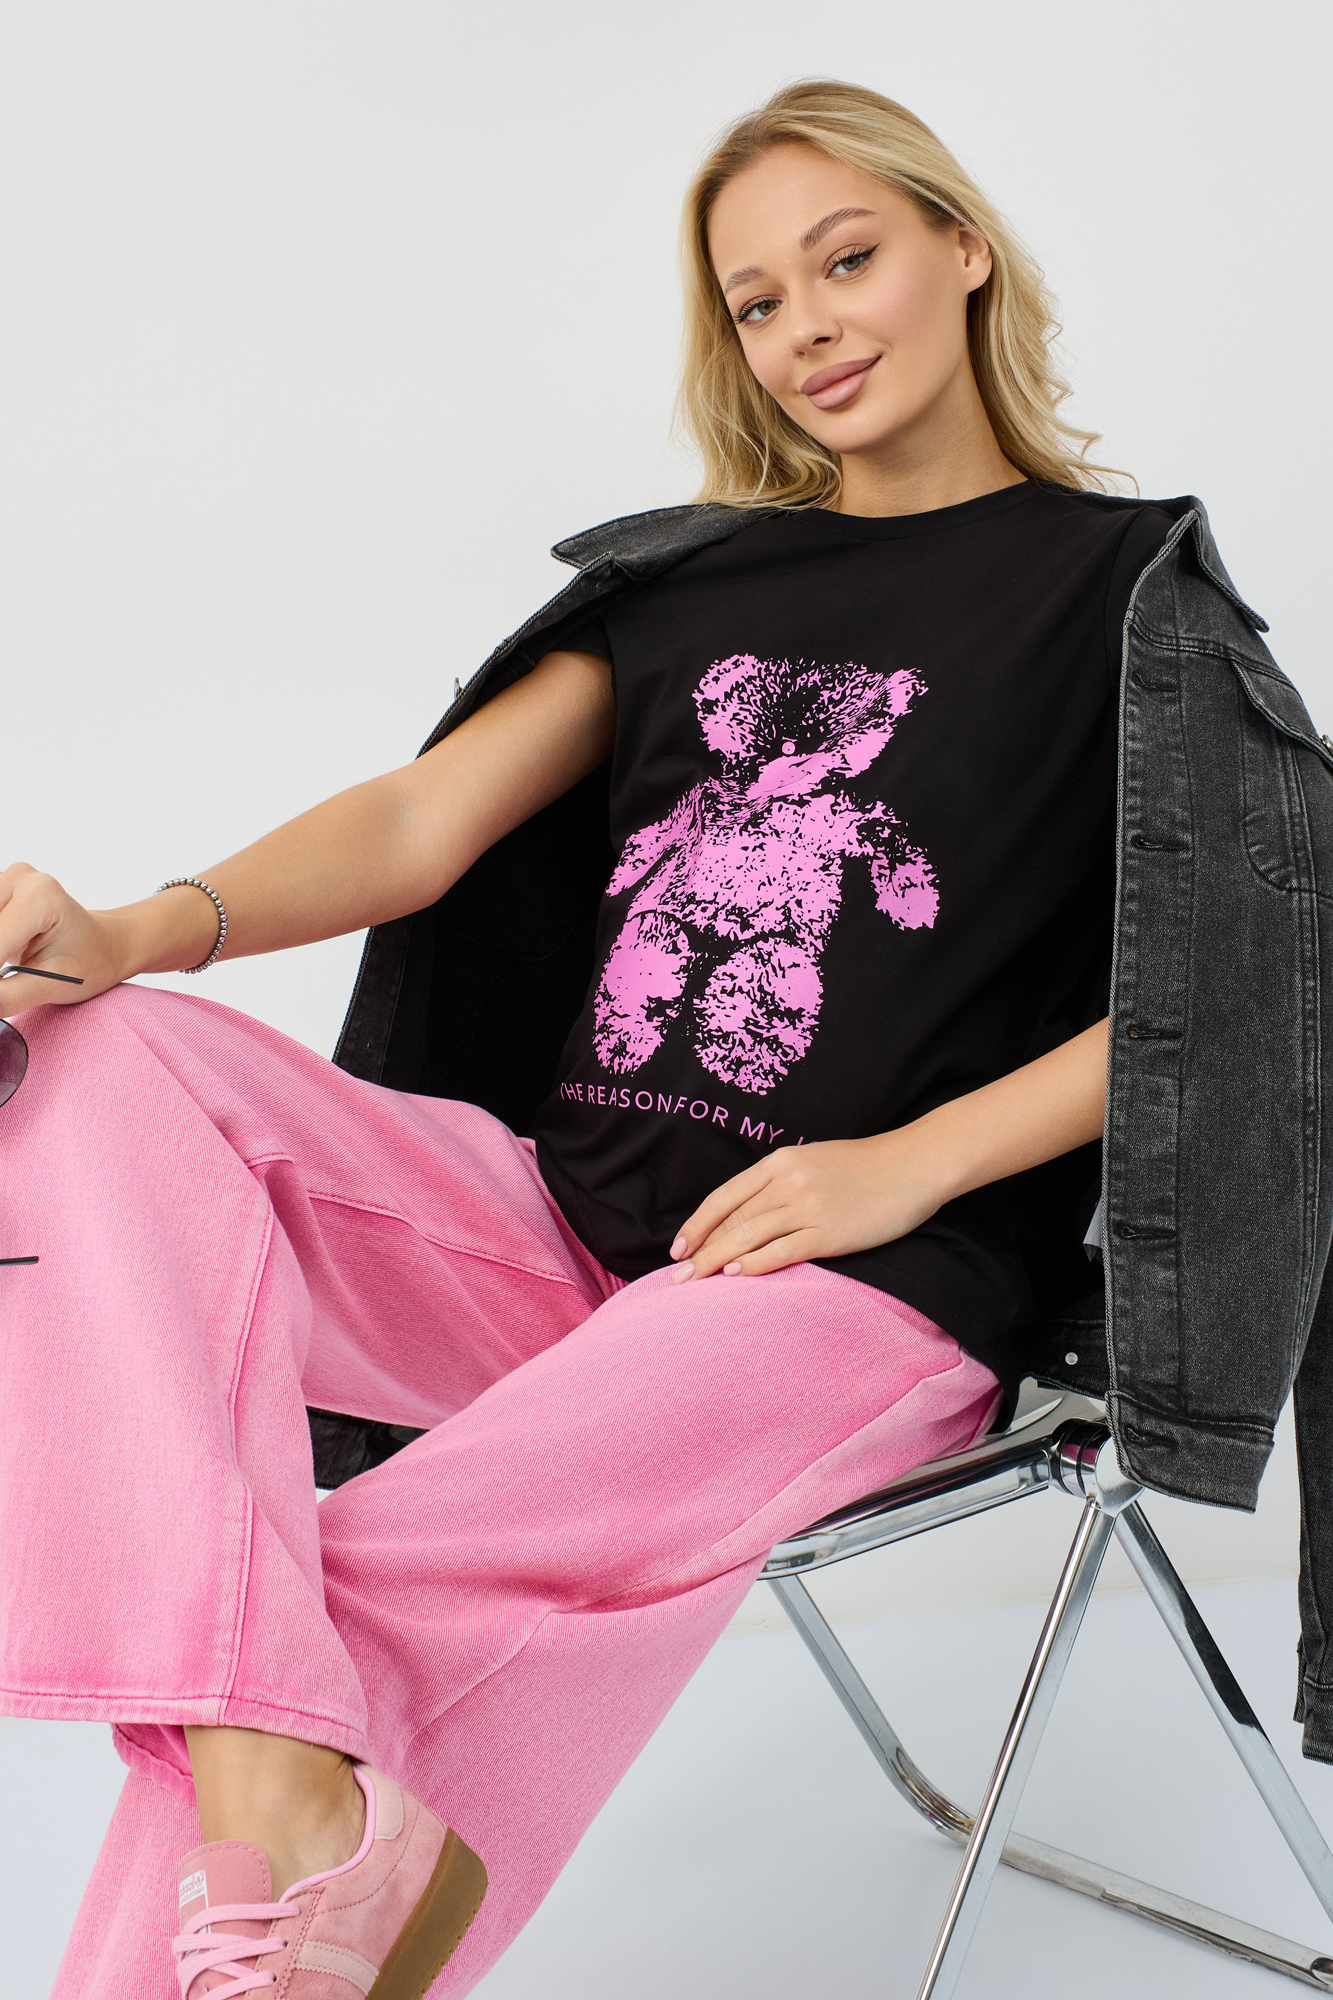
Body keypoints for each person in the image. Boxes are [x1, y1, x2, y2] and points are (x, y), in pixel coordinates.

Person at [0, 78, 1178, 2000]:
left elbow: (1239, 988)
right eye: (754, 301)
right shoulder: (691, 581)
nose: (805, 328)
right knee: (84, 1058)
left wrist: (907, 1166)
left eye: (846, 260)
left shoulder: (1122, 591)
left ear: (963, 248)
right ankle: (290, 1799)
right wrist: (130, 932)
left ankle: (258, 1873)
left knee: (345, 1593)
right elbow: (421, 822)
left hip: (849, 1284)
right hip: (557, 1236)